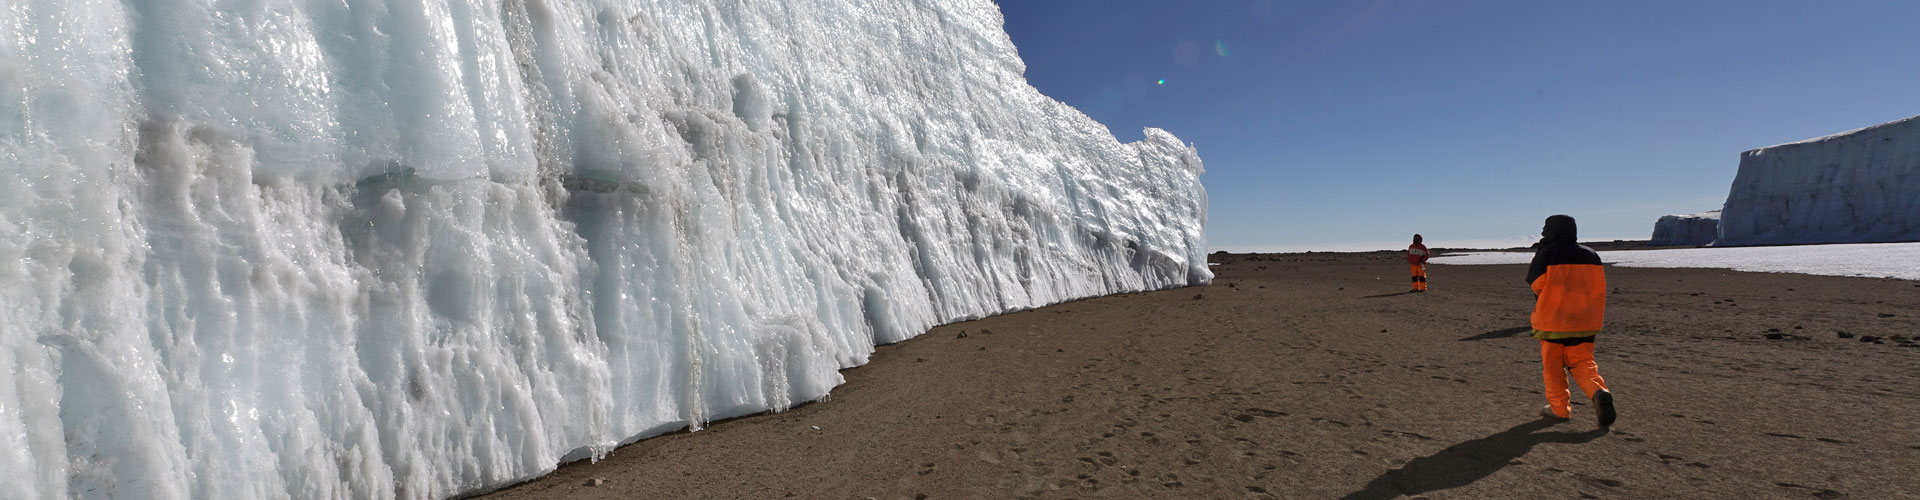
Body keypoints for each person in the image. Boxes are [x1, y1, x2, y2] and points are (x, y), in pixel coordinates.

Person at [1525, 215, 1616, 427]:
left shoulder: (1547, 253)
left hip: (1553, 320)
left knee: (1553, 366)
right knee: (1583, 361)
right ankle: (1598, 391)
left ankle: (1559, 409)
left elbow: (1537, 284)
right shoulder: (1591, 254)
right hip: (1585, 320)